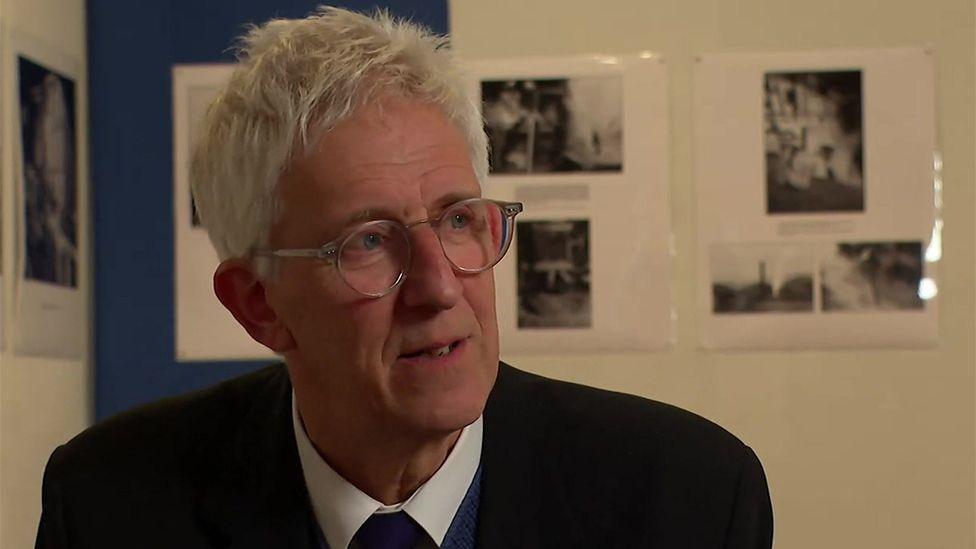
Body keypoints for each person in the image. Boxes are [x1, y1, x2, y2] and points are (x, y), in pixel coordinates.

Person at [35, 7, 773, 548]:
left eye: (459, 220)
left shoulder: (688, 500)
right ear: (260, 305)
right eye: (368, 241)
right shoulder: (109, 506)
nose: (441, 286)